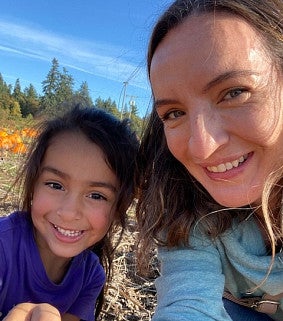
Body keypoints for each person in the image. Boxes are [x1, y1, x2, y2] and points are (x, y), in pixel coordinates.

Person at [136, 0, 283, 320]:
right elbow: (187, 304)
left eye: (233, 93)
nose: (202, 147)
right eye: (174, 113)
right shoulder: (184, 204)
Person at [0, 105, 139, 321]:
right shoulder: (3, 247)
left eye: (96, 195)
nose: (68, 213)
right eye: (55, 185)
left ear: (119, 208)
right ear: (33, 186)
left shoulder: (91, 276)